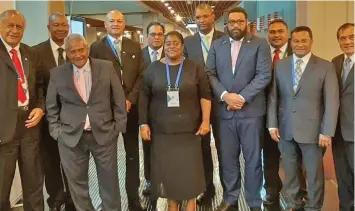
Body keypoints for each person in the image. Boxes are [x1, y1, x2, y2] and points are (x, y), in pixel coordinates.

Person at [46, 34, 127, 211]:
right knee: (77, 185)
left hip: (105, 135)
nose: (78, 55)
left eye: (81, 50)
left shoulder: (106, 68)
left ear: (87, 49)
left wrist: (117, 128)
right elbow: (51, 106)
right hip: (70, 139)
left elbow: (119, 100)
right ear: (66, 53)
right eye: (72, 51)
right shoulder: (57, 74)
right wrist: (56, 131)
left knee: (109, 183)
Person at [206, 7, 272, 211]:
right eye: (232, 22)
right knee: (227, 158)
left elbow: (264, 75)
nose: (236, 25)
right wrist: (225, 96)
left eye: (240, 21)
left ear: (247, 23)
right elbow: (210, 73)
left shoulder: (260, 44)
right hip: (225, 113)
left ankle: (253, 202)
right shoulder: (217, 45)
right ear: (226, 24)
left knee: (253, 160)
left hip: (251, 112)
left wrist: (241, 97)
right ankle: (230, 198)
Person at [268, 26, 339, 211]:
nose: (299, 44)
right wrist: (272, 124)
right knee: (290, 173)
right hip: (285, 129)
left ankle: (314, 207)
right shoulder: (280, 65)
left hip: (314, 132)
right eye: (296, 41)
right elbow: (274, 96)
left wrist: (327, 131)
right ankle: (294, 204)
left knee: (314, 175)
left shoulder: (325, 66)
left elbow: (332, 101)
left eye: (303, 40)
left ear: (311, 42)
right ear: (291, 42)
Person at [139, 31, 212, 211]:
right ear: (164, 46)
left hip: (189, 129)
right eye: (168, 43)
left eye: (176, 43)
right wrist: (143, 123)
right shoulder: (153, 68)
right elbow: (143, 97)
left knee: (189, 168)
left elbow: (205, 95)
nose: (172, 46)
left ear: (182, 46)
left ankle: (191, 201)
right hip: (162, 130)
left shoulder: (194, 67)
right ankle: (173, 201)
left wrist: (205, 121)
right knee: (169, 169)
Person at [89, 10, 145, 210]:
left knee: (132, 155)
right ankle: (110, 203)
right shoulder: (95, 48)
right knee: (108, 159)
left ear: (124, 24)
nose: (115, 24)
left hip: (131, 110)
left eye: (119, 21)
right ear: (105, 25)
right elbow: (93, 80)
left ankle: (133, 198)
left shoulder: (134, 46)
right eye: (111, 21)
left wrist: (130, 99)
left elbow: (141, 75)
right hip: (108, 112)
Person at [0, 10, 45, 211]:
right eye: (10, 25)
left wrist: (40, 108)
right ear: (0, 26)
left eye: (19, 26)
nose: (14, 30)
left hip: (29, 125)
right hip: (3, 129)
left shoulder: (31, 53)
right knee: (1, 186)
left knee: (34, 182)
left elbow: (40, 87)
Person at [183, 4, 224, 206]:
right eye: (198, 17)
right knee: (202, 149)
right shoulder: (188, 42)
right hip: (199, 106)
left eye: (205, 16)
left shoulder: (225, 38)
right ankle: (208, 188)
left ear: (213, 16)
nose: (201, 20)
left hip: (224, 103)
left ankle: (230, 193)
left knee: (226, 150)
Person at [33, 12, 75, 211]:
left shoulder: (76, 50)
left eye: (64, 25)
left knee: (73, 160)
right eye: (56, 25)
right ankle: (56, 199)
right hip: (47, 119)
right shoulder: (36, 52)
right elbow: (36, 86)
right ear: (49, 28)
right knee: (50, 161)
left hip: (73, 119)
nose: (61, 28)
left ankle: (73, 200)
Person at [264, 19, 307, 206]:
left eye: (280, 31)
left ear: (287, 33)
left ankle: (301, 194)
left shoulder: (299, 53)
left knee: (297, 158)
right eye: (272, 32)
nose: (276, 35)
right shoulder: (262, 54)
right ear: (267, 34)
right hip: (267, 116)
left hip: (293, 116)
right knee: (270, 157)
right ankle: (272, 191)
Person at [331, 23, 354, 211]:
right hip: (338, 131)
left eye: (352, 37)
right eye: (343, 38)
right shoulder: (336, 62)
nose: (347, 41)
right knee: (343, 175)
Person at [141, 21, 165, 196]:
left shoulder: (174, 53)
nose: (156, 37)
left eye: (159, 34)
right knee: (148, 146)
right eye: (153, 34)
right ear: (146, 36)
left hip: (169, 110)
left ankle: (170, 179)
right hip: (147, 111)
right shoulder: (139, 55)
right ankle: (150, 181)